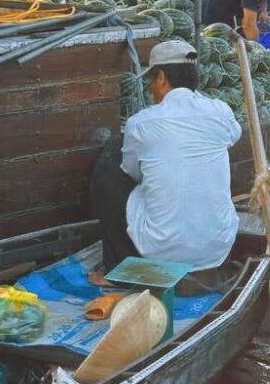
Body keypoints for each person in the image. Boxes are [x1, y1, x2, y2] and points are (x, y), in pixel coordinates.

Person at [90, 40, 241, 271]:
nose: (151, 89)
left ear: (161, 77)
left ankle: (118, 267)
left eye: (152, 81)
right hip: (218, 247)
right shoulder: (221, 111)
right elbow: (234, 135)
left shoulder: (141, 123)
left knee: (108, 168)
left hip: (164, 251)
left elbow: (131, 172)